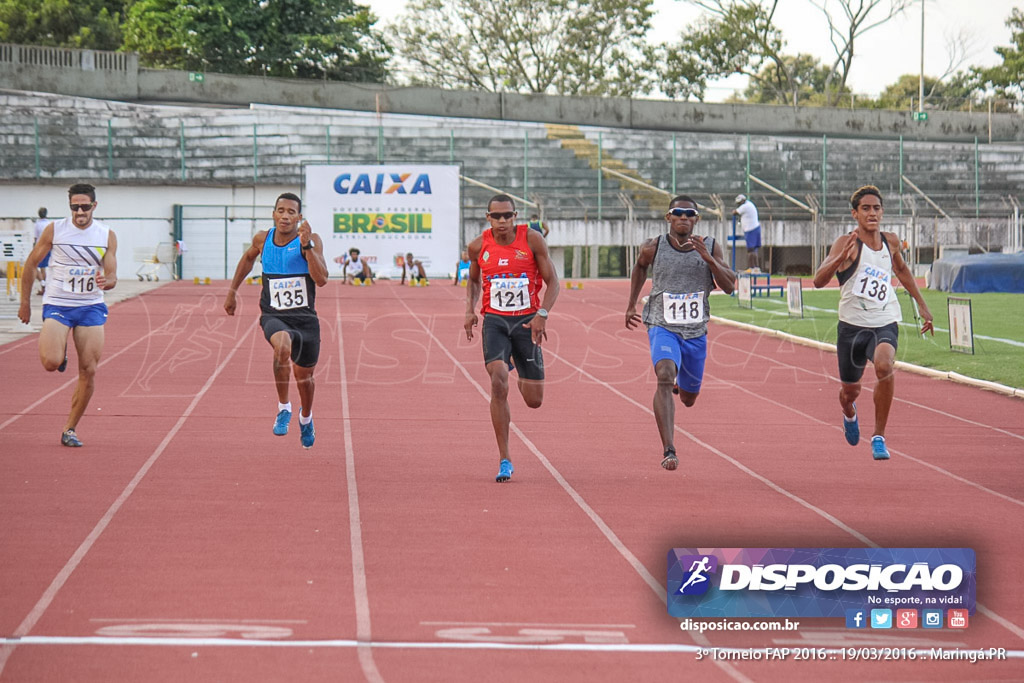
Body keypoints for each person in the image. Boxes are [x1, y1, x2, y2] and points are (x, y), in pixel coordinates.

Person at [813, 185, 933, 461]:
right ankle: (849, 412)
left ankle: (878, 436)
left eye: (876, 208)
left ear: (882, 212)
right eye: (865, 208)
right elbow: (819, 281)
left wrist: (922, 305)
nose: (872, 213)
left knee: (884, 365)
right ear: (855, 214)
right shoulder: (847, 243)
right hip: (851, 327)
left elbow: (902, 271)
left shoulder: (891, 241)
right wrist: (838, 261)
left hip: (884, 320)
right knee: (850, 391)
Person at [625, 195, 736, 470]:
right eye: (678, 212)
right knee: (663, 374)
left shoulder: (710, 245)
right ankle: (669, 448)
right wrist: (630, 304)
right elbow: (639, 267)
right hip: (663, 325)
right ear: (669, 218)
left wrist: (709, 260)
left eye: (690, 213)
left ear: (696, 219)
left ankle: (680, 387)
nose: (683, 217)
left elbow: (731, 285)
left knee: (688, 399)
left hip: (695, 331)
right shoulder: (655, 246)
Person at [465, 194, 559, 483]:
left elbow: (554, 281)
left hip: (526, 321)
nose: (503, 221)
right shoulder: (478, 246)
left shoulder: (532, 240)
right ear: (488, 217)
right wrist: (469, 309)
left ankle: (518, 364)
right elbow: (473, 279)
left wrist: (543, 313)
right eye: (497, 216)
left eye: (508, 215)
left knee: (534, 400)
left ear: (515, 216)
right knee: (497, 380)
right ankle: (505, 458)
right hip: (494, 321)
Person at [224, 192, 328, 449]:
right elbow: (247, 260)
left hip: (305, 319)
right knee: (282, 348)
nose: (285, 216)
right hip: (273, 314)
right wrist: (232, 292)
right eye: (281, 210)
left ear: (299, 217)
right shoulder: (262, 239)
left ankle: (306, 418)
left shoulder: (311, 240)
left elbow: (322, 278)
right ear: (273, 213)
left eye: (291, 212)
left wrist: (307, 248)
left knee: (305, 378)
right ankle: (284, 408)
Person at [18, 184, 118, 447]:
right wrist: (24, 303)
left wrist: (108, 281)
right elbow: (30, 264)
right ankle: (60, 353)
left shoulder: (106, 235)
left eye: (85, 206)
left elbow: (112, 273)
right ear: (70, 207)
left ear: (94, 206)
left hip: (91, 306)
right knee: (50, 362)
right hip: (59, 303)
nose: (80, 211)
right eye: (75, 207)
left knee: (89, 370)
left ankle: (70, 428)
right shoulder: (55, 230)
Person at [732, 194, 761, 272]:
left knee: (750, 249)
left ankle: (752, 268)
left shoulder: (745, 206)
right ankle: (755, 268)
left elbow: (734, 212)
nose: (738, 205)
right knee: (754, 249)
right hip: (754, 228)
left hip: (751, 229)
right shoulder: (749, 205)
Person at [33, 207, 50, 295]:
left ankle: (43, 284)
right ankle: (45, 287)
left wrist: (34, 248)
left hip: (40, 247)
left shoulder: (37, 224)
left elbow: (35, 238)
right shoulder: (49, 223)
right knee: (44, 268)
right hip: (48, 247)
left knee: (34, 266)